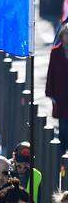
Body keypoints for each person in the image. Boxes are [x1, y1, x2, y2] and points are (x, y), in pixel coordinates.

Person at [46, 24, 68, 153]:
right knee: (63, 126)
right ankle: (62, 156)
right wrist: (50, 93)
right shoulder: (55, 52)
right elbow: (51, 73)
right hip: (61, 95)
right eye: (66, 34)